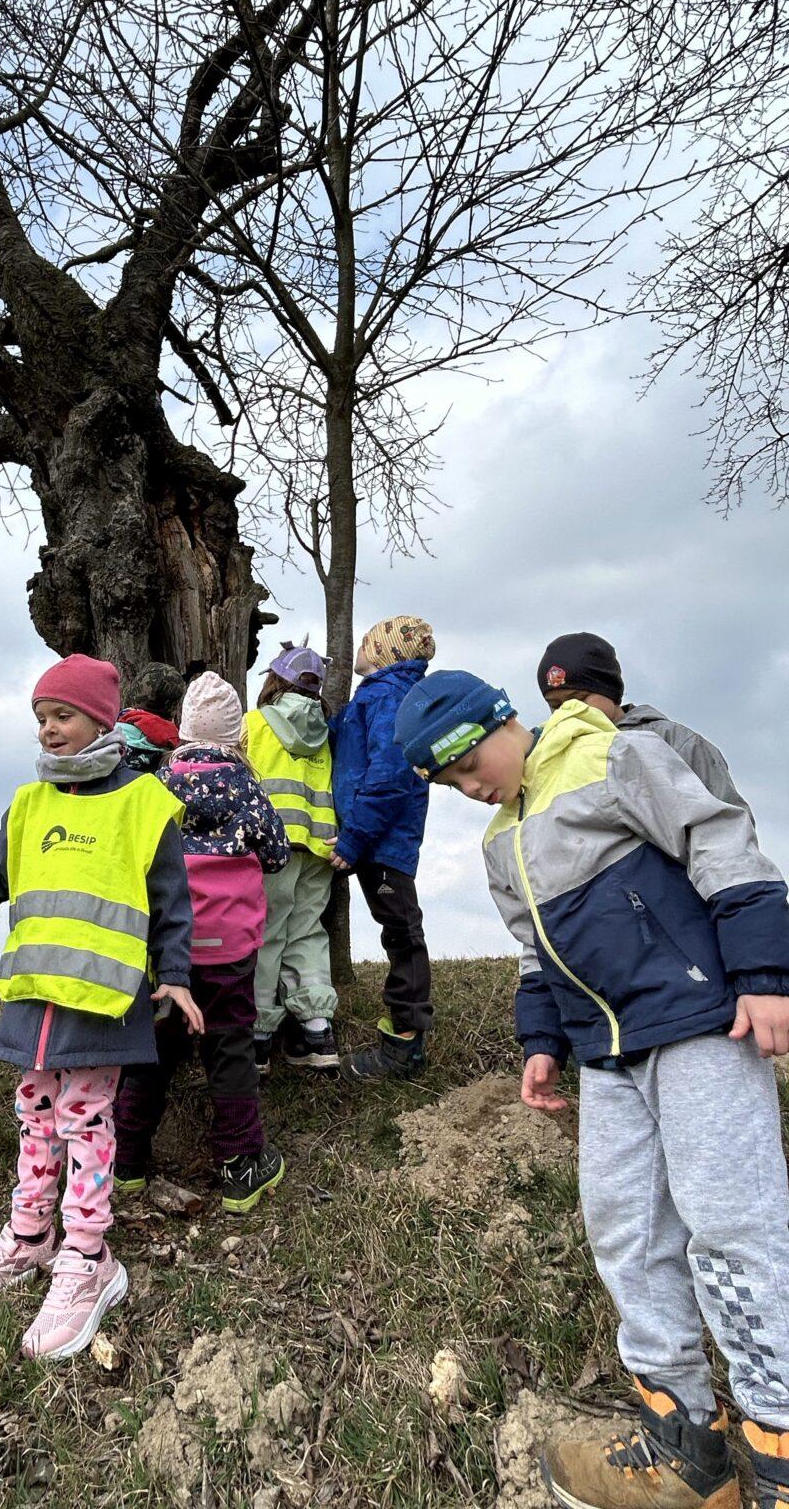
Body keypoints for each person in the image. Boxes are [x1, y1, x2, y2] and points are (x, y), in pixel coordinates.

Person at [396, 668, 789, 1509]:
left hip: (699, 1025)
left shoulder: (615, 758)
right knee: (623, 1231)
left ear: (505, 718)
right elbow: (537, 954)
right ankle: (687, 1449)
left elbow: (719, 838)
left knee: (732, 1225)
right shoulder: (503, 843)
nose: (471, 786)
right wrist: (542, 1041)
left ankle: (781, 1444)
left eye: (470, 761)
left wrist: (763, 969)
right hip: (607, 1058)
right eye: (451, 782)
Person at [0, 654, 201, 1361]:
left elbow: (174, 903)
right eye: (41, 718)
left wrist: (174, 977)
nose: (49, 730)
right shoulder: (28, 803)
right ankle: (30, 1238)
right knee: (33, 1117)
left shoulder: (146, 803)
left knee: (85, 1123)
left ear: (100, 719)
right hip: (34, 1005)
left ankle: (89, 1260)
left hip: (102, 1008)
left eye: (62, 715)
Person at [114, 671, 290, 1211]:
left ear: (184, 732)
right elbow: (277, 852)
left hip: (169, 950)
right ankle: (240, 1165)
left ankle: (126, 1162)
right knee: (230, 1048)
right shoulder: (247, 787)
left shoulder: (157, 786)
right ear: (237, 737)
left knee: (153, 1054)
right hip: (232, 949)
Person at [330, 616, 435, 1083]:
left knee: (401, 930)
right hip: (372, 834)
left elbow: (390, 775)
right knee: (396, 928)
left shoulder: (389, 696)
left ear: (384, 653)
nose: (361, 647)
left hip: (380, 837)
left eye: (369, 642)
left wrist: (355, 837)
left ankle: (404, 1045)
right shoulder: (376, 695)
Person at [245, 644, 340, 1071]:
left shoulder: (253, 725)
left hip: (270, 849)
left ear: (273, 681)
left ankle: (260, 1038)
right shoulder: (326, 731)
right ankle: (318, 1031)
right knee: (307, 933)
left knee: (266, 934)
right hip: (320, 848)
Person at [537, 630, 752, 816]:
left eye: (580, 699)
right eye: (556, 705)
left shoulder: (677, 744)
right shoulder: (551, 758)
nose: (569, 711)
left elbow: (729, 827)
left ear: (609, 690)